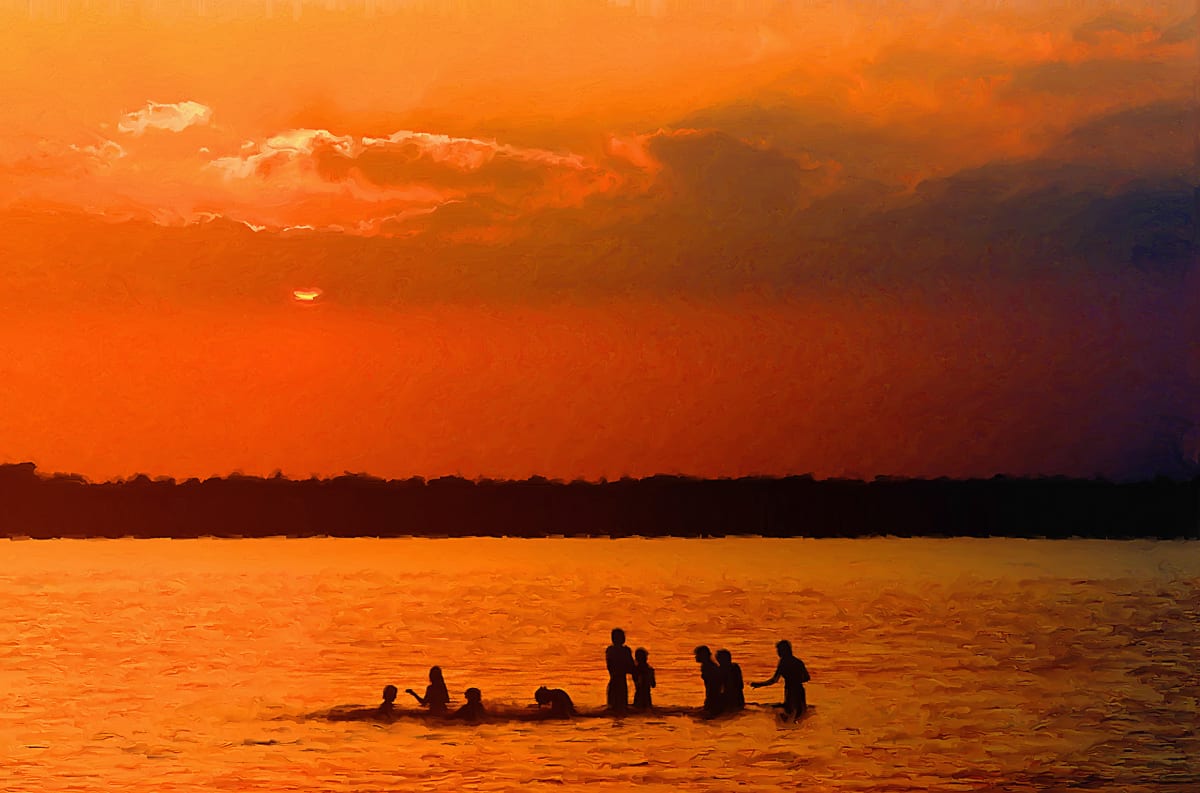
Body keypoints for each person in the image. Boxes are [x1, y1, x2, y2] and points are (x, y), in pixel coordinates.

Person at [750, 639, 811, 720]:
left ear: (784, 651)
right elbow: (807, 677)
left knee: (791, 713)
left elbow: (774, 680)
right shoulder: (798, 662)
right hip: (800, 690)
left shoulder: (783, 662)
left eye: (779, 650)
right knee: (801, 714)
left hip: (791, 690)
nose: (778, 653)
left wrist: (759, 684)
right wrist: (797, 680)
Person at [606, 628, 635, 712]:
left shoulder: (610, 650)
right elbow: (631, 667)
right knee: (620, 708)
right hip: (619, 682)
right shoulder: (625, 651)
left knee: (613, 708)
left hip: (616, 681)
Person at [694, 645, 723, 716]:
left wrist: (709, 702)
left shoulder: (709, 667)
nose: (695, 657)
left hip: (714, 698)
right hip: (713, 697)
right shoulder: (707, 666)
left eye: (697, 655)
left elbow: (713, 686)